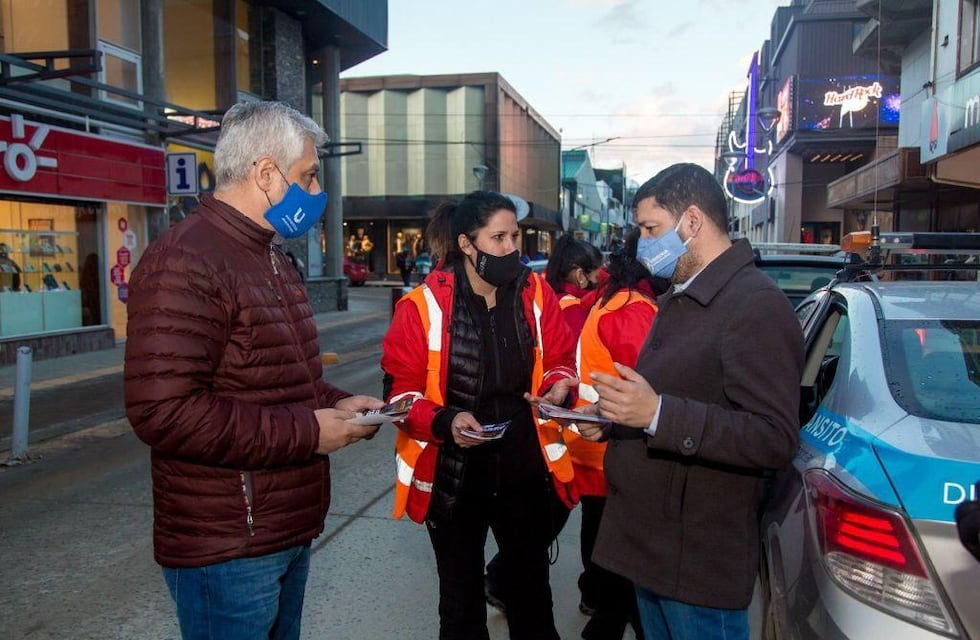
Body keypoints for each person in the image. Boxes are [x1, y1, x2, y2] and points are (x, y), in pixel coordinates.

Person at [124, 101, 384, 640]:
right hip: (229, 547)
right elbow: (164, 412)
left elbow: (281, 377)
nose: (316, 192)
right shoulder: (187, 259)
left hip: (281, 528)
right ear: (266, 173)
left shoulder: (270, 256)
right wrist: (309, 432)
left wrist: (335, 402)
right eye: (308, 176)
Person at [578, 163, 804, 640]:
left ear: (692, 221)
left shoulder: (754, 304)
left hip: (697, 560)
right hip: (655, 549)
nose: (642, 244)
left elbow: (772, 436)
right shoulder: (682, 296)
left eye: (650, 229)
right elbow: (684, 395)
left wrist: (656, 414)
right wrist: (616, 419)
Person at [381, 190, 579, 640]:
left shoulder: (535, 292)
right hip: (455, 478)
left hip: (523, 472)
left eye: (515, 236)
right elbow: (400, 394)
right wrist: (446, 421)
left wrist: (559, 385)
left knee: (533, 599)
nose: (513, 248)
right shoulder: (421, 307)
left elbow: (561, 358)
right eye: (499, 238)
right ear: (467, 244)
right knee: (461, 607)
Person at [483, 233, 603, 613]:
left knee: (550, 518)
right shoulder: (572, 309)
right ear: (579, 274)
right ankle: (508, 579)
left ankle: (503, 578)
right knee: (557, 518)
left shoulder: (552, 302)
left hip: (561, 427)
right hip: (570, 430)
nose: (600, 278)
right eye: (596, 272)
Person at [570, 228, 669, 640]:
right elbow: (651, 383)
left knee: (612, 568)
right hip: (613, 450)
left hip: (601, 447)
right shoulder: (632, 309)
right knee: (625, 572)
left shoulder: (620, 299)